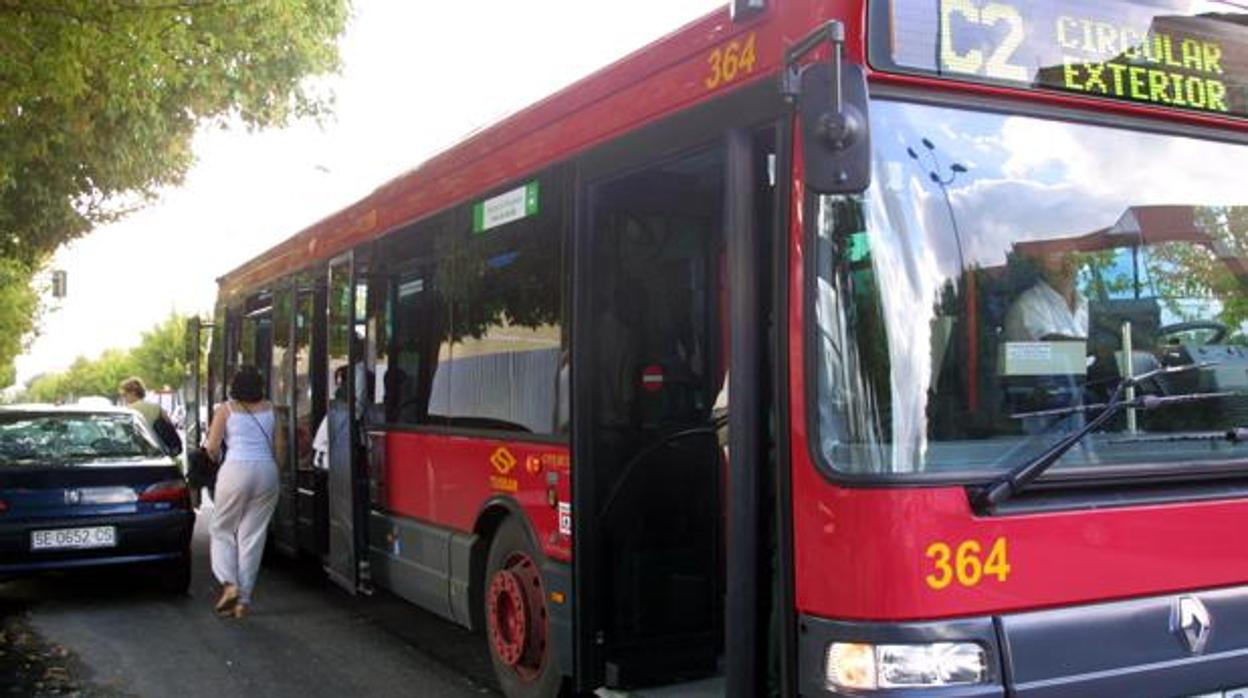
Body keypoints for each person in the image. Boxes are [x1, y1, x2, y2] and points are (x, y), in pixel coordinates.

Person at [203, 366, 278, 619]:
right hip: (267, 471)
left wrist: (215, 456)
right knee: (252, 537)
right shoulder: (271, 409)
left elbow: (212, 448)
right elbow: (280, 448)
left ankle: (229, 583)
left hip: (235, 470)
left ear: (234, 387)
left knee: (222, 529)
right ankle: (243, 602)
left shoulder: (225, 410)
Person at [1003, 249, 1088, 342]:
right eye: (1056, 256)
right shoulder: (1027, 306)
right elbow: (1050, 345)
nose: (1067, 265)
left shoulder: (1087, 305)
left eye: (1072, 256)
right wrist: (1094, 346)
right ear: (1038, 264)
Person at [119, 377, 181, 454]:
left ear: (133, 392)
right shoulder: (157, 408)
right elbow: (170, 429)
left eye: (124, 394)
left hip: (136, 452)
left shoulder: (127, 411)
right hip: (159, 451)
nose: (123, 397)